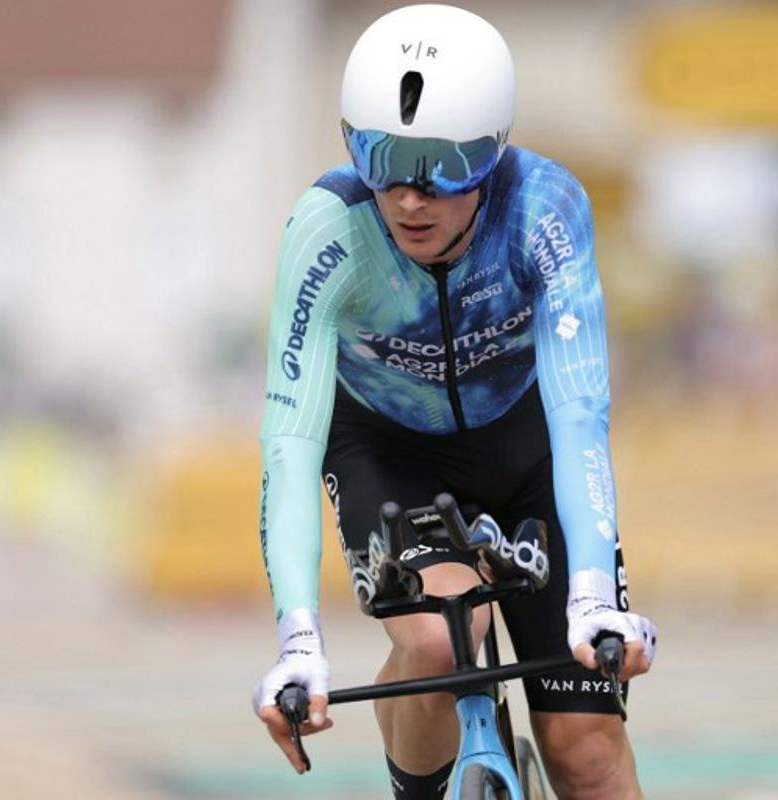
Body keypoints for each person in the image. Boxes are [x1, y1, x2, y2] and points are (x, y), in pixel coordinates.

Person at [249, 5, 657, 798]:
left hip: (527, 447)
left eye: (445, 166)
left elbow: (580, 414)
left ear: (494, 152)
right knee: (441, 644)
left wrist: (593, 603)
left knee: (588, 757)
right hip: (389, 453)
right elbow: (289, 443)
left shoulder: (544, 208)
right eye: (384, 158)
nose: (409, 196)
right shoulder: (327, 229)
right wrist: (298, 640)